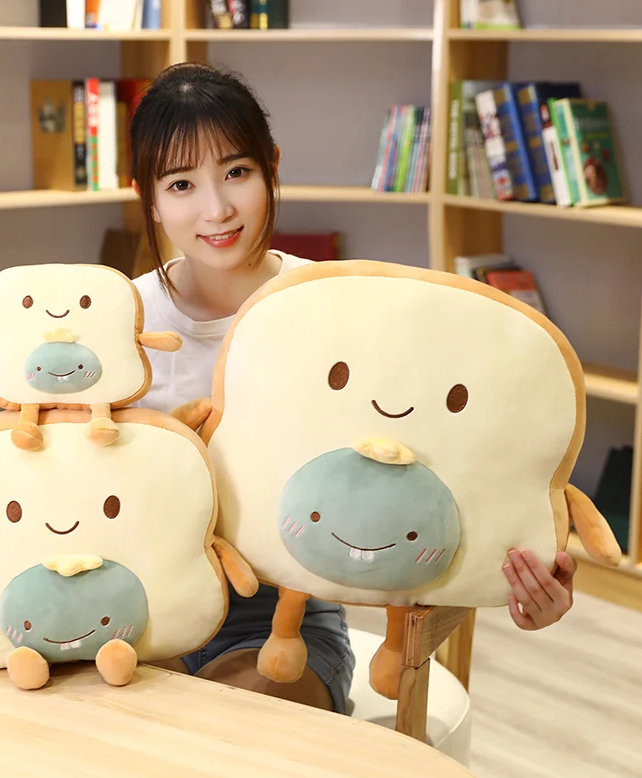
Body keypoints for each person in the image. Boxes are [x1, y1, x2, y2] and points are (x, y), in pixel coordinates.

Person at [128, 61, 577, 713]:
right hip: (139, 608)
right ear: (147, 196)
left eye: (237, 172)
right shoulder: (118, 322)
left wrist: (528, 575)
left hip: (281, 626)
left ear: (272, 167)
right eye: (180, 184)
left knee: (227, 731)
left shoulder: (337, 307)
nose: (216, 208)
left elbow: (446, 467)